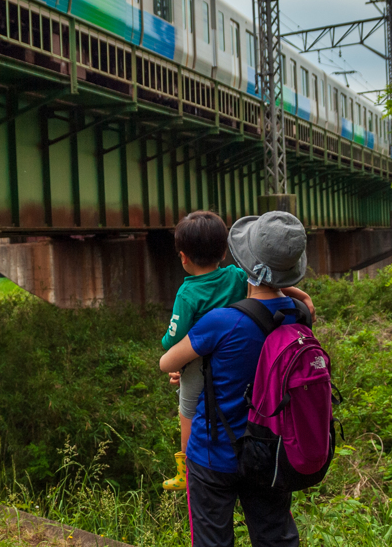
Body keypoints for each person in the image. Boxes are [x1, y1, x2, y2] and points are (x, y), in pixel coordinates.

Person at [159, 210, 312, 547]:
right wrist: (303, 296)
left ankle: (182, 464)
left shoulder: (219, 322)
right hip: (271, 450)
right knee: (276, 537)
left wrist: (189, 367)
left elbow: (167, 360)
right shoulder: (300, 315)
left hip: (214, 455)